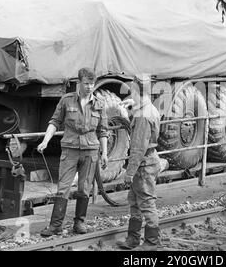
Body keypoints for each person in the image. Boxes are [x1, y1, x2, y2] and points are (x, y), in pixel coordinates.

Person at [38, 67, 108, 237]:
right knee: (63, 188)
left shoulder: (99, 104)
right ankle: (55, 226)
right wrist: (45, 141)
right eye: (86, 83)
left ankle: (79, 223)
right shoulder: (66, 101)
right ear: (79, 83)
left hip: (90, 151)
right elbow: (54, 121)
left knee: (84, 188)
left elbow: (103, 131)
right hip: (69, 150)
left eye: (92, 84)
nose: (90, 87)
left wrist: (104, 153)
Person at [116, 76, 162, 250]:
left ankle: (152, 242)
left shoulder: (143, 116)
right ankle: (133, 239)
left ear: (136, 89)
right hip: (147, 161)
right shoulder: (149, 108)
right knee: (135, 201)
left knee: (147, 203)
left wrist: (129, 173)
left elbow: (137, 148)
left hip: (143, 165)